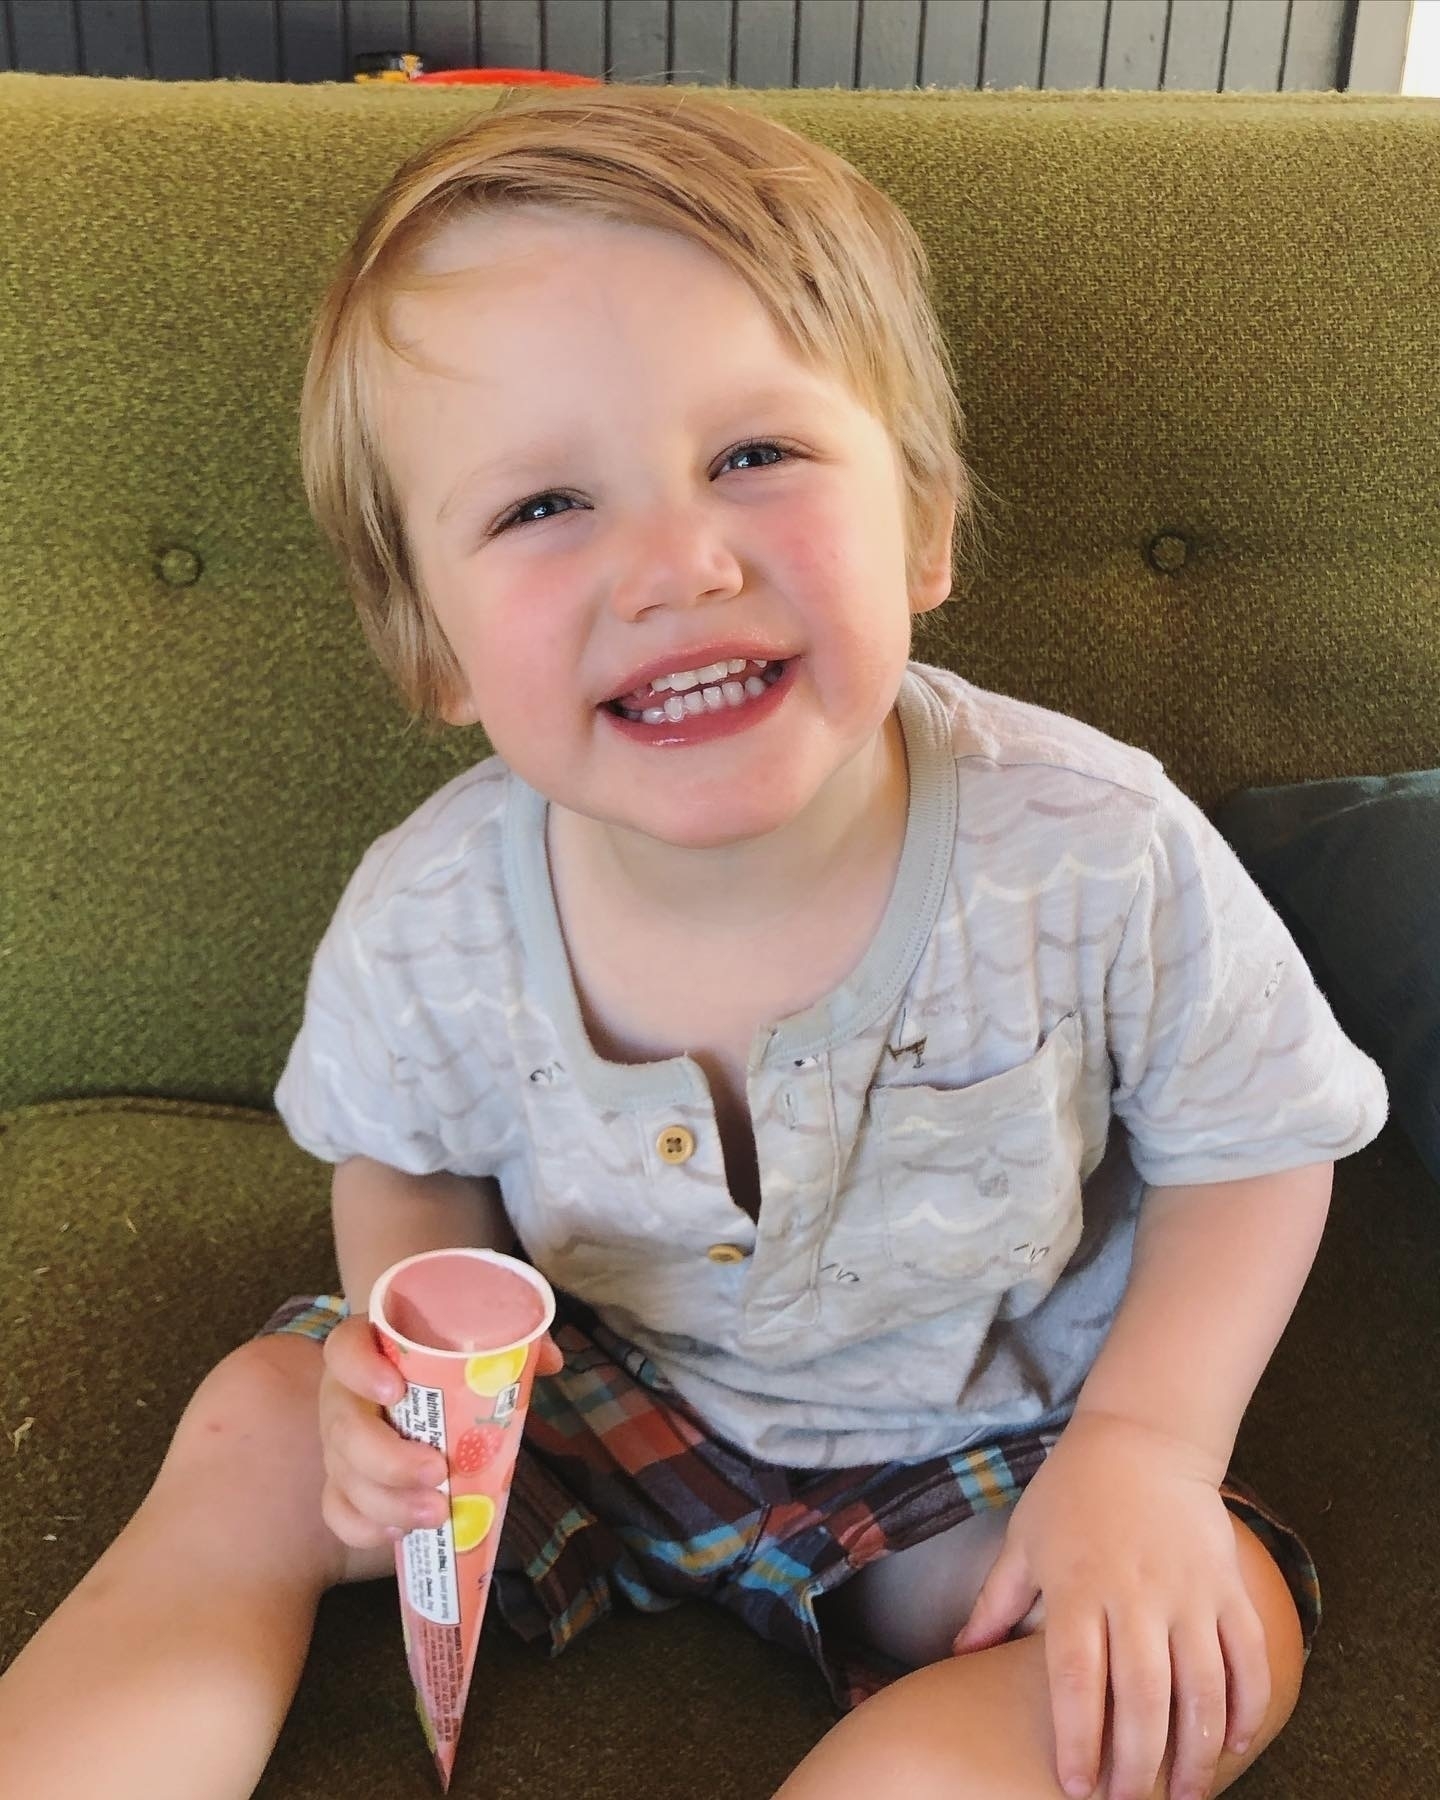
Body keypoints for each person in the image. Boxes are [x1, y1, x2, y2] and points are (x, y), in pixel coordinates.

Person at [0, 83, 1387, 1800]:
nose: (674, 566)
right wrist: (406, 1376)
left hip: (977, 1455)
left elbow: (1259, 1147)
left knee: (1209, 1634)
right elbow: (409, 1169)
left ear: (923, 521)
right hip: (583, 1399)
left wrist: (1149, 1449)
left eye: (752, 457)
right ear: (432, 648)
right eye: (540, 507)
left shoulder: (1095, 843)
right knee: (256, 1424)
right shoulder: (429, 913)